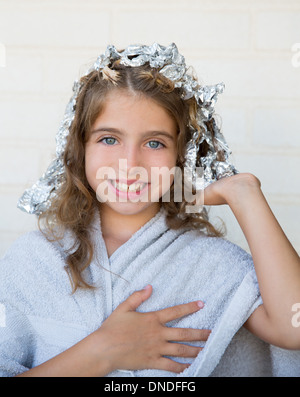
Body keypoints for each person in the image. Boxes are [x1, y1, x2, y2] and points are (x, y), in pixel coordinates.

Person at [0, 43, 300, 377]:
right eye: (109, 139)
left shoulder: (212, 264)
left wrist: (245, 196)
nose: (130, 165)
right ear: (80, 147)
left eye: (154, 143)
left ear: (179, 156)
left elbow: (294, 327)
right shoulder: (32, 261)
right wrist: (103, 350)